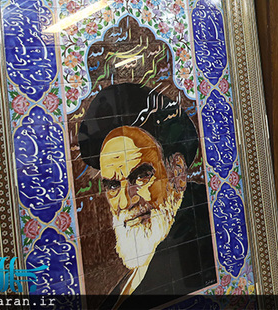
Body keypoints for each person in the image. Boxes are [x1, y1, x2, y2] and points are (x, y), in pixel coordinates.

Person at [78, 83, 215, 308]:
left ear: (177, 172)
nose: (125, 200)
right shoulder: (131, 279)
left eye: (140, 177)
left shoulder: (203, 241)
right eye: (113, 186)